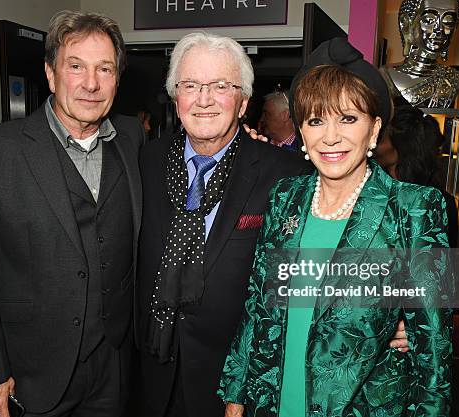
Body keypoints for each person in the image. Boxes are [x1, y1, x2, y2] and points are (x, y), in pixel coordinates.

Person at [135, 32, 410, 417]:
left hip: (239, 384)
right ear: (175, 95)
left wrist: (400, 317)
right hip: (149, 373)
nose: (204, 98)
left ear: (244, 101)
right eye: (190, 85)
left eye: (220, 86)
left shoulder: (288, 178)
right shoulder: (141, 161)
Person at [220, 37, 453, 417]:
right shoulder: (285, 199)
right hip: (275, 401)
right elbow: (258, 306)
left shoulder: (413, 209)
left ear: (374, 129)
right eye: (315, 120)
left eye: (348, 118)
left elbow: (434, 356)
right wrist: (235, 398)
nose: (330, 137)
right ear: (303, 132)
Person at [0, 10, 144, 417]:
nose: (91, 84)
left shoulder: (133, 138)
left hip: (114, 365)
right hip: (31, 371)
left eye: (104, 69)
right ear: (51, 74)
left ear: (117, 79)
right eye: (76, 66)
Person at [375, 98, 458, 247]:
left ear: (402, 148)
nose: (372, 143)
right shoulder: (372, 193)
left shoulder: (440, 203)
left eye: (380, 138)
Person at [381, 0, 459, 108]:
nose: (439, 29)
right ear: (406, 23)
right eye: (429, 20)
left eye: (448, 22)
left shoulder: (452, 78)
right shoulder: (386, 75)